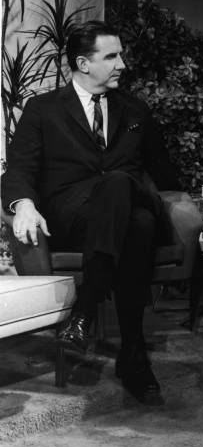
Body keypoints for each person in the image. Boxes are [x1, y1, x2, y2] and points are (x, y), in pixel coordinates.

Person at [1, 20, 181, 403]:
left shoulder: (135, 110)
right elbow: (17, 168)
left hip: (126, 200)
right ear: (83, 64)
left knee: (126, 196)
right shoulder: (43, 109)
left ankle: (86, 312)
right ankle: (133, 356)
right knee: (139, 224)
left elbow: (164, 172)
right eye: (112, 56)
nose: (122, 65)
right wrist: (24, 205)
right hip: (73, 214)